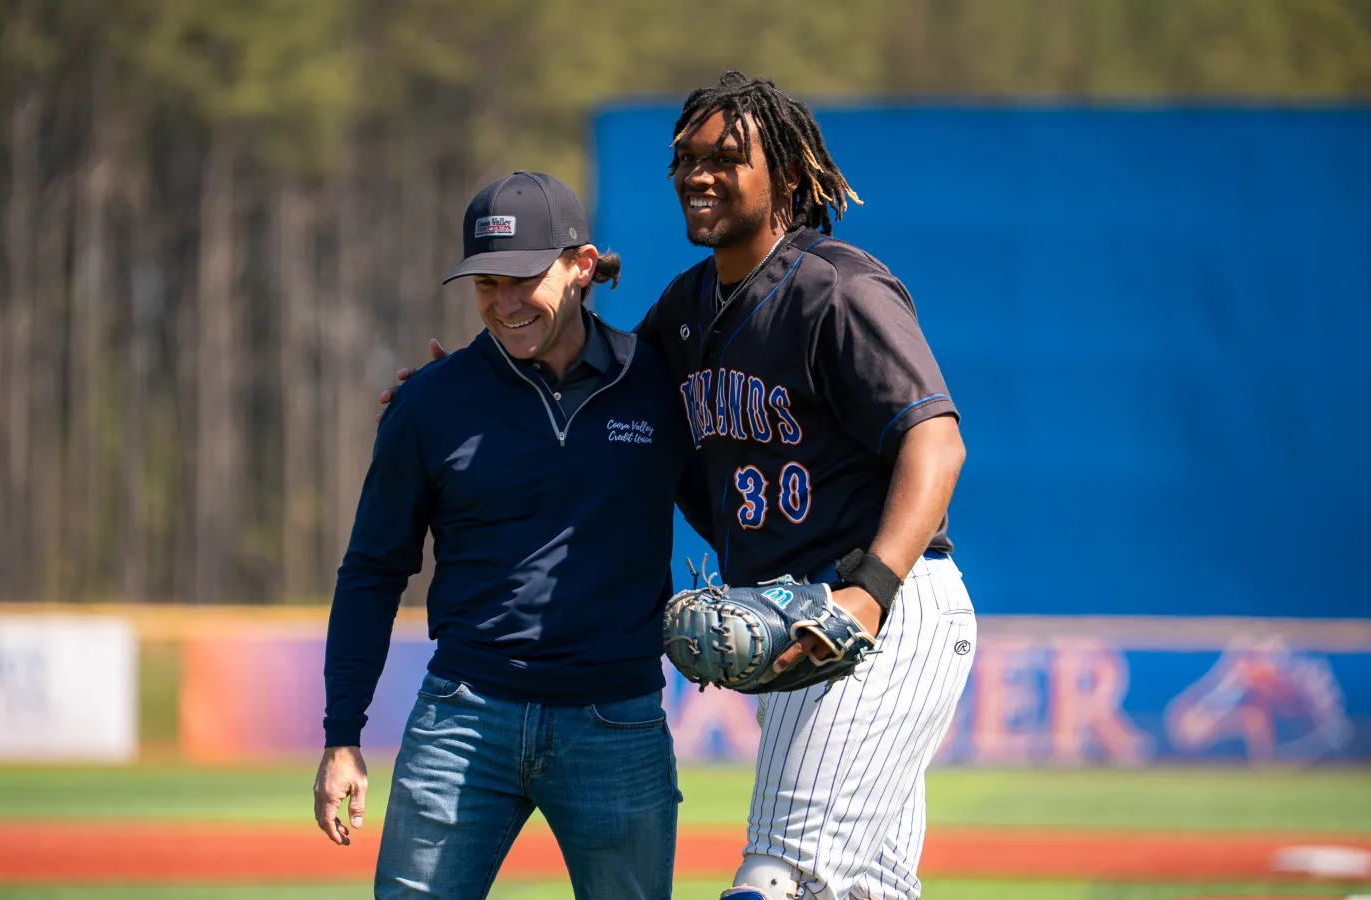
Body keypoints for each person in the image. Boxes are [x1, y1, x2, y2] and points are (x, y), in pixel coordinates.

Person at [383, 71, 975, 900]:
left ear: (791, 180)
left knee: (777, 877)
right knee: (867, 889)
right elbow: (592, 376)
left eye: (728, 157)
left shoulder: (835, 289)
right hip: (795, 619)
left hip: (880, 607)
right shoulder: (689, 308)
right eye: (686, 158)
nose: (700, 173)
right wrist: (478, 380)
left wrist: (868, 596)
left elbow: (935, 442)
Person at [315, 171, 690, 900]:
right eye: (487, 283)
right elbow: (371, 572)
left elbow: (730, 505)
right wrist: (342, 734)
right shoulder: (430, 403)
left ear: (581, 268)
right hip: (464, 719)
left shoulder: (656, 385)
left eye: (524, 279)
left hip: (618, 724)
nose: (505, 303)